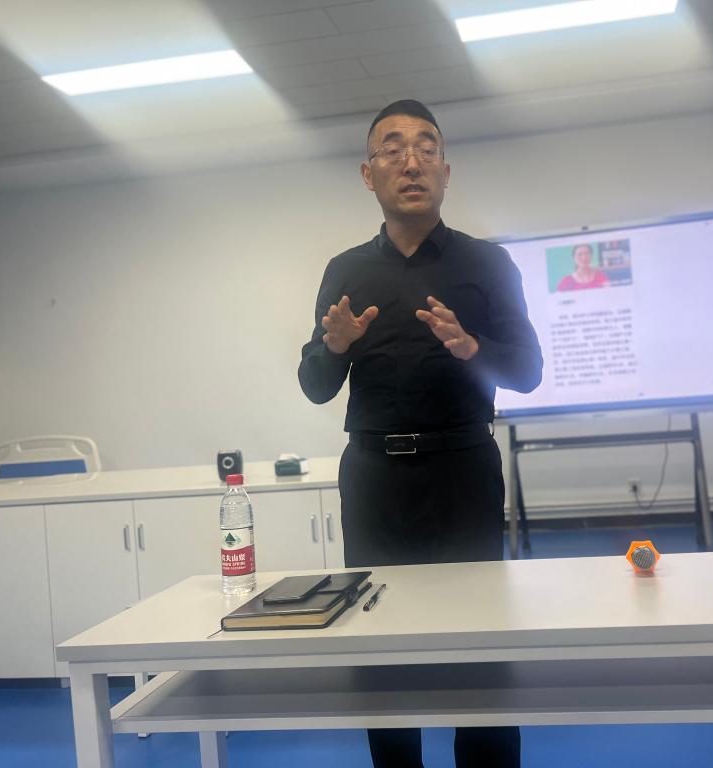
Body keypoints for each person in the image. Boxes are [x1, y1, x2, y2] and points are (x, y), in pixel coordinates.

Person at [298, 99, 543, 768]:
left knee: (479, 646)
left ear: (446, 171)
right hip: (374, 481)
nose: (412, 161)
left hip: (462, 472)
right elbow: (315, 383)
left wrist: (473, 348)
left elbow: (528, 372)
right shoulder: (346, 271)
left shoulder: (487, 263)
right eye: (393, 148)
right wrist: (336, 346)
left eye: (427, 147)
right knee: (380, 647)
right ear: (368, 173)